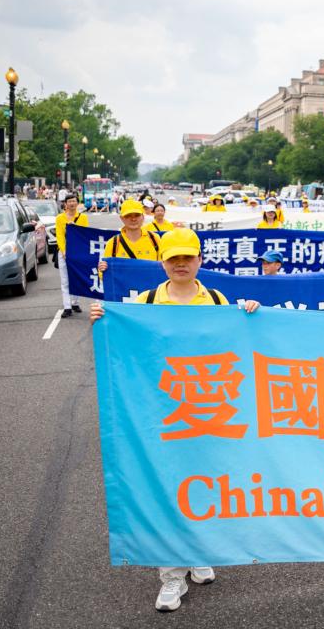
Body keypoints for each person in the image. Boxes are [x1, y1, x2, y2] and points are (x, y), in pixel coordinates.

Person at [90, 228, 260, 612]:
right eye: (173, 258)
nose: (181, 264)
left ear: (201, 259)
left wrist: (248, 314)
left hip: (209, 412)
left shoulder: (217, 299)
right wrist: (102, 318)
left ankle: (198, 552)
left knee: (205, 485)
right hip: (162, 413)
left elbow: (235, 346)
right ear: (161, 262)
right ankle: (170, 576)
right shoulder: (145, 302)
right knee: (167, 489)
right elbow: (122, 348)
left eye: (187, 257)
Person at [97, 200, 161, 274]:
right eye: (128, 215)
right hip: (123, 286)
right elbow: (105, 276)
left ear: (143, 217)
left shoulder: (155, 239)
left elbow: (164, 268)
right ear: (122, 218)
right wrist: (102, 269)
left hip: (152, 285)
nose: (133, 219)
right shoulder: (113, 243)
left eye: (137, 215)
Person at [54, 192, 88, 317]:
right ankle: (67, 307)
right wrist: (63, 251)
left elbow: (85, 234)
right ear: (65, 204)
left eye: (74, 201)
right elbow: (60, 236)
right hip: (64, 253)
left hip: (78, 252)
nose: (72, 203)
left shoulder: (83, 218)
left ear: (77, 203)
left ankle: (75, 302)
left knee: (76, 277)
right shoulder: (60, 218)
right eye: (69, 202)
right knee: (65, 280)